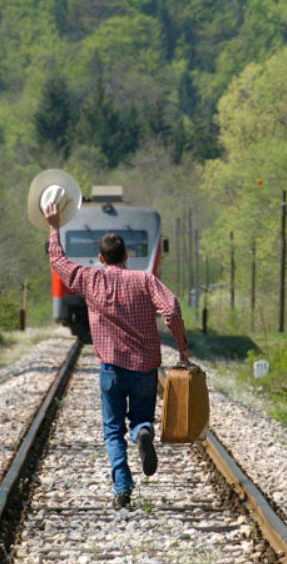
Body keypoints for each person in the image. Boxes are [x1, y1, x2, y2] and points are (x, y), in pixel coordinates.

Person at [44, 202, 190, 510]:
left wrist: (54, 226)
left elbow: (58, 261)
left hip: (110, 367)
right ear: (126, 256)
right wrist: (183, 349)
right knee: (140, 418)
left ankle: (122, 489)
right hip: (145, 367)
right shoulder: (145, 280)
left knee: (112, 431)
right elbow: (172, 308)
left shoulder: (90, 279)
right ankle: (144, 433)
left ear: (101, 258)